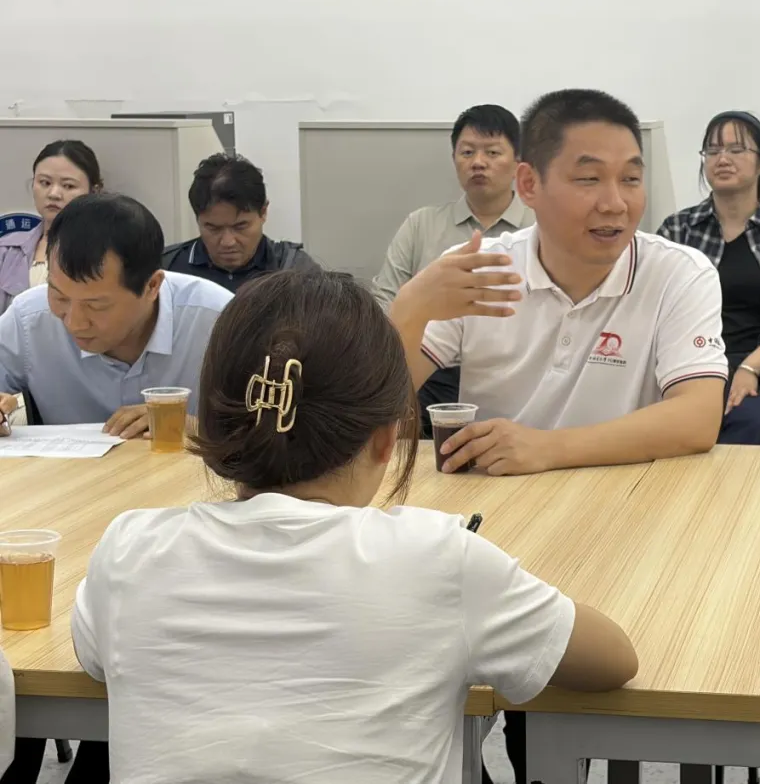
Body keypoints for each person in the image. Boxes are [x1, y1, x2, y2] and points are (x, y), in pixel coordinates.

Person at [69, 269, 638, 784]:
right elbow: (613, 660)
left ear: (212, 427)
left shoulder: (128, 549)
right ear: (387, 438)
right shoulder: (436, 558)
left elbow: (94, 655)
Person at [390, 88, 725, 783]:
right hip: (497, 529)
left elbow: (698, 416)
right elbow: (372, 404)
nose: (616, 203)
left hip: (632, 522)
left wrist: (545, 448)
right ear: (529, 185)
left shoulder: (676, 272)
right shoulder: (486, 268)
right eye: (589, 178)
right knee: (436, 686)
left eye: (631, 178)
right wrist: (412, 308)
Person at [0, 192, 232, 438]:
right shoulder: (28, 318)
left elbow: (261, 431)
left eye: (96, 305)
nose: (75, 323)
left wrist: (200, 429)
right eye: (60, 298)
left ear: (152, 286)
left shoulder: (219, 320)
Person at [373, 104, 535, 435]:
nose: (478, 162)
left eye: (492, 152)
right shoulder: (421, 225)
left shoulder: (541, 225)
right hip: (425, 374)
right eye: (467, 152)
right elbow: (384, 301)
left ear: (519, 163)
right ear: (454, 159)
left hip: (515, 371)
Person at [658, 111, 760, 445]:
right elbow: (654, 310)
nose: (722, 159)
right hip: (685, 369)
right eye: (713, 151)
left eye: (736, 149)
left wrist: (749, 369)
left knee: (755, 426)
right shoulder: (677, 230)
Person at [161, 153, 319, 291]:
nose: (228, 242)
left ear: (263, 212)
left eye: (240, 227)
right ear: (197, 219)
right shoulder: (167, 270)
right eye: (213, 228)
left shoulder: (297, 271)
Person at [0, 140, 102, 313]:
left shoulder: (105, 250)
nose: (54, 194)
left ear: (94, 191)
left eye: (68, 186)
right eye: (45, 183)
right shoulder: (7, 249)